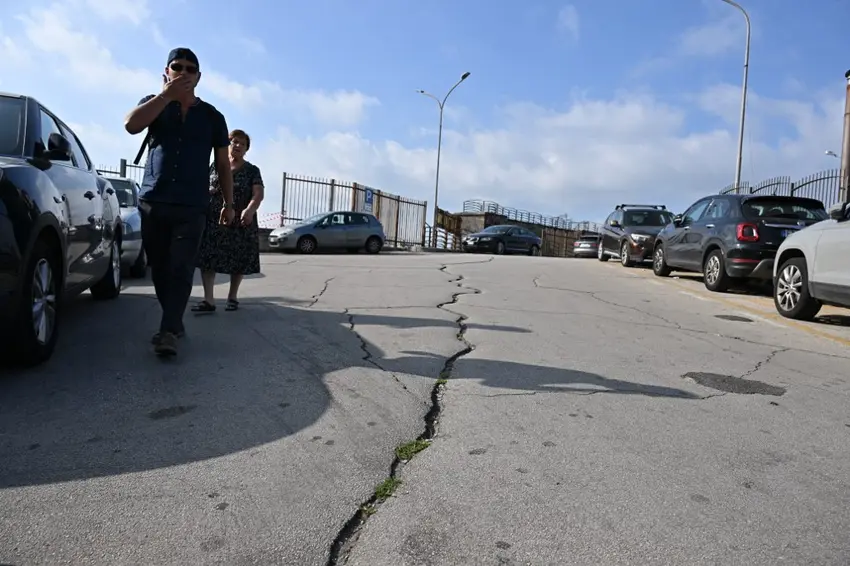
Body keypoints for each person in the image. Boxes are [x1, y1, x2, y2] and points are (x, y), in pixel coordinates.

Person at [124, 47, 235, 357]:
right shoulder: (153, 104)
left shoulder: (213, 117)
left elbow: (223, 164)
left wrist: (228, 203)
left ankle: (167, 330)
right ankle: (173, 318)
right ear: (166, 72)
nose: (183, 73)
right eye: (177, 67)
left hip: (192, 205)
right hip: (154, 201)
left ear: (198, 77)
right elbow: (131, 125)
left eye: (190, 69)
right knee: (159, 267)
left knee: (182, 267)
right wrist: (165, 97)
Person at [194, 129, 264, 312]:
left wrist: (250, 210)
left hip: (241, 221)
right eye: (235, 142)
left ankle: (232, 297)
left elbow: (258, 194)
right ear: (228, 145)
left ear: (247, 149)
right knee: (208, 257)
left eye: (243, 143)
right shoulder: (215, 166)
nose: (238, 146)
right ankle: (209, 300)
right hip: (214, 220)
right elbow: (204, 186)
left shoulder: (252, 171)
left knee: (238, 258)